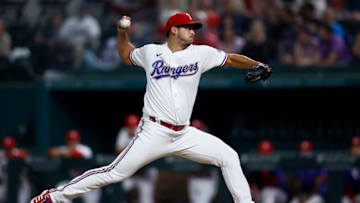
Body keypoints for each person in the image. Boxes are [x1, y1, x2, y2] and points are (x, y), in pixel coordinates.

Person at [31, 12, 271, 203]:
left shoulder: (201, 53)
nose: (192, 31)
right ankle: (53, 197)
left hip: (183, 133)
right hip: (153, 131)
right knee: (115, 172)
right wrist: (121, 33)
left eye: (194, 28)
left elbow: (230, 58)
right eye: (188, 27)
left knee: (229, 156)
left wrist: (257, 63)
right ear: (173, 30)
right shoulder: (151, 52)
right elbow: (126, 55)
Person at [115, 114, 158, 203]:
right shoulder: (123, 132)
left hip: (146, 171)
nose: (131, 129)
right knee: (124, 188)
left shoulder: (145, 132)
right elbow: (118, 150)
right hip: (131, 172)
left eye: (133, 126)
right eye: (129, 127)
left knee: (146, 198)